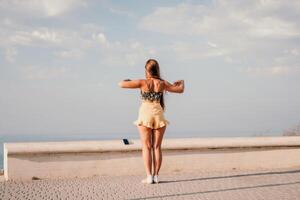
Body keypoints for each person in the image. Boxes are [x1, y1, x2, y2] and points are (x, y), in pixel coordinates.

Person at [118, 59, 184, 184]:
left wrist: (128, 80)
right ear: (157, 69)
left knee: (147, 147)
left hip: (145, 114)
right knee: (157, 147)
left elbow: (120, 84)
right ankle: (156, 176)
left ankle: (149, 177)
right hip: (158, 114)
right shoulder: (162, 83)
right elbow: (180, 90)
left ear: (146, 70)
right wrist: (182, 82)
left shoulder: (142, 82)